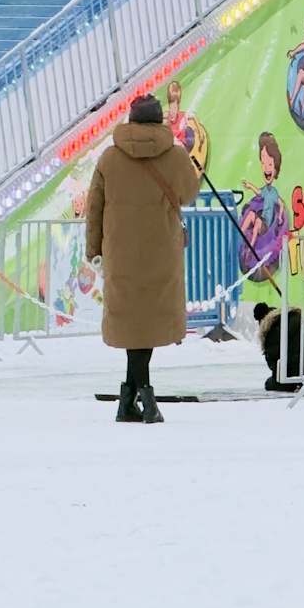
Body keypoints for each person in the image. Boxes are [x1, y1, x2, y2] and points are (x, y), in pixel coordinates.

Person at [85, 92, 199, 423]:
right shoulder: (175, 157)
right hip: (161, 253)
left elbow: (94, 210)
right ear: (159, 120)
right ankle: (145, 399)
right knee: (144, 327)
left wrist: (94, 251)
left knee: (135, 326)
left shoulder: (108, 158)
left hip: (120, 254)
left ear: (131, 120)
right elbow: (189, 193)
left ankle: (128, 400)